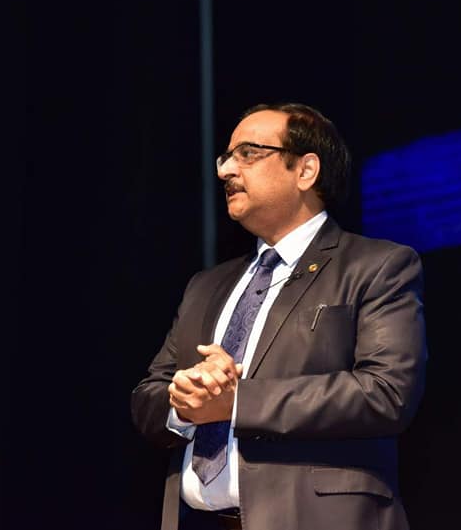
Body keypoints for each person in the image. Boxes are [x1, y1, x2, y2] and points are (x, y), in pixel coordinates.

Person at [131, 102, 427, 530]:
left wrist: (237, 402)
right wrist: (186, 403)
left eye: (248, 153)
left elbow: (386, 393)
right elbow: (148, 396)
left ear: (305, 170)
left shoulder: (377, 266)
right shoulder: (206, 285)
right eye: (225, 157)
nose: (226, 171)